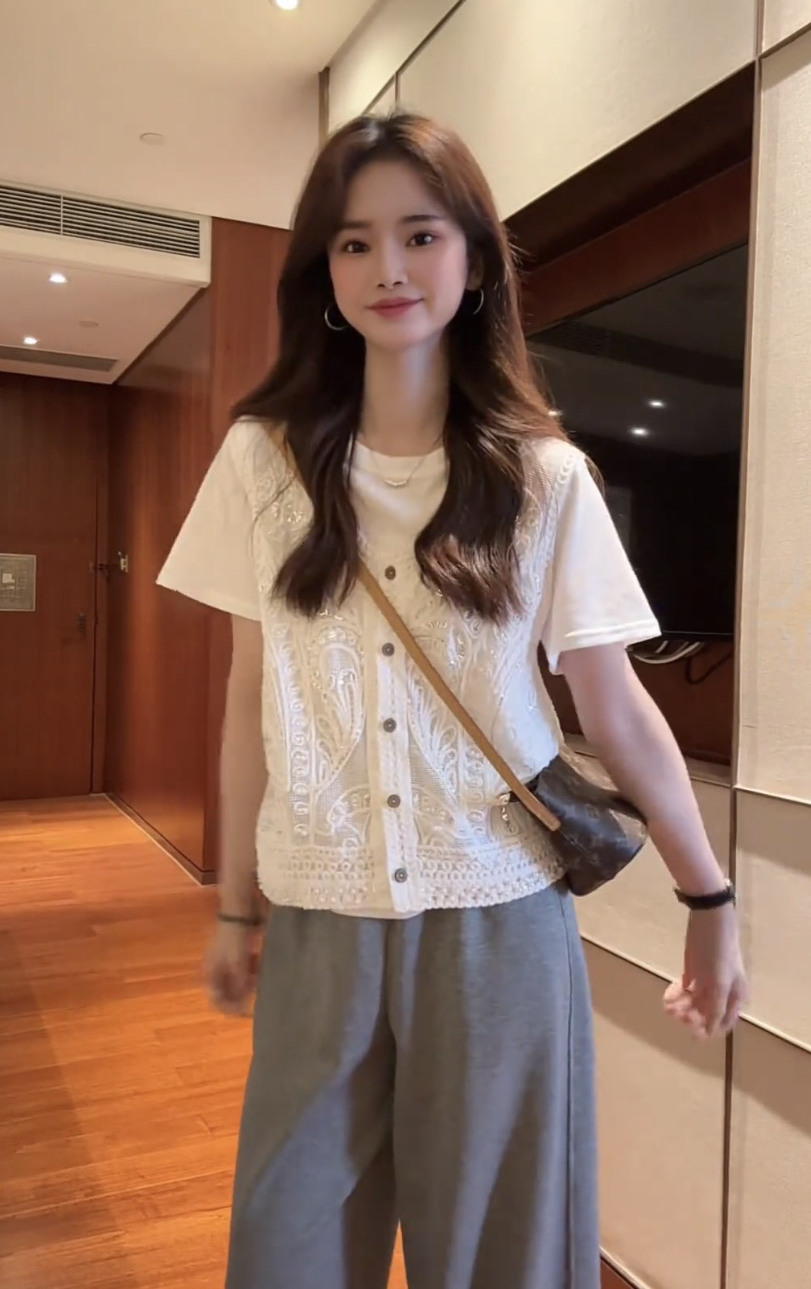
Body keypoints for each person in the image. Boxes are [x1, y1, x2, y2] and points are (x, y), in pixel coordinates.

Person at [157, 112, 748, 1289]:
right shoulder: (261, 464)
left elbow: (616, 708)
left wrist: (709, 897)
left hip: (498, 920)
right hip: (320, 911)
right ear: (324, 274)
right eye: (353, 242)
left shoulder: (545, 478)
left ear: (473, 260)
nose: (387, 266)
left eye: (419, 235)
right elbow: (248, 696)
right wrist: (233, 910)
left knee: (503, 1255)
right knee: (286, 1247)